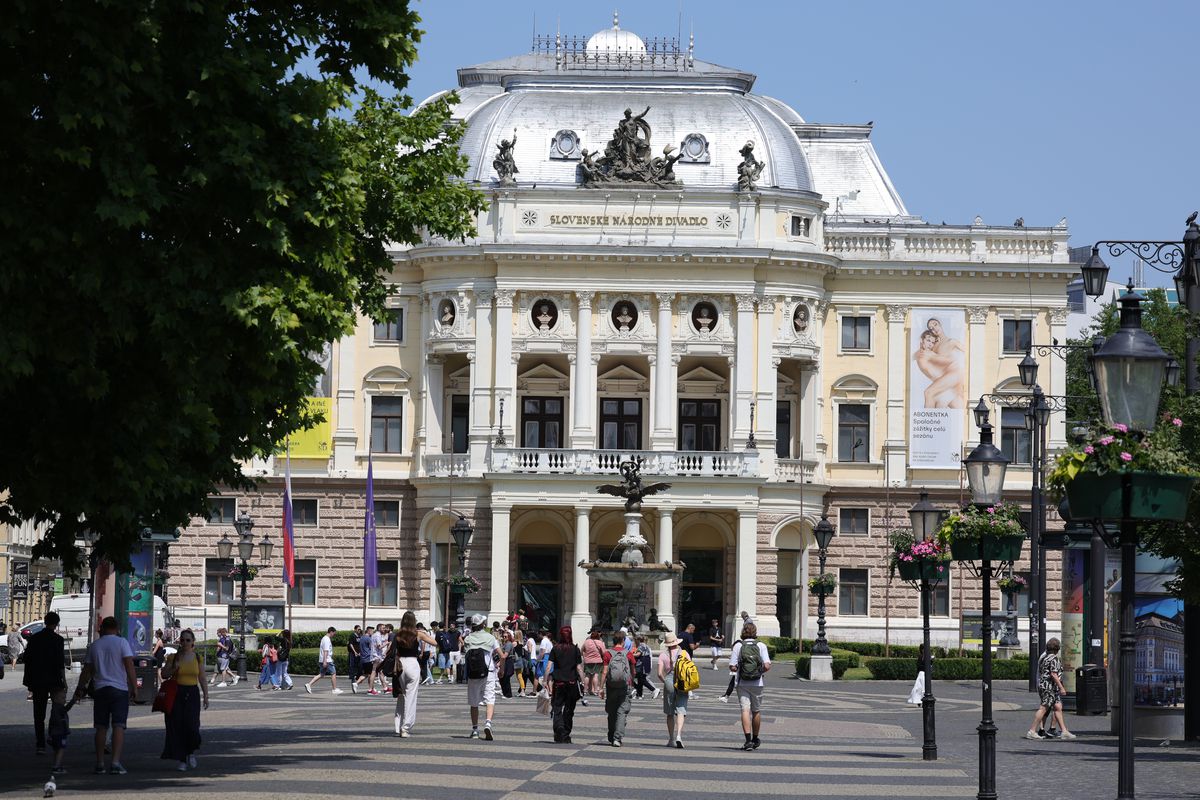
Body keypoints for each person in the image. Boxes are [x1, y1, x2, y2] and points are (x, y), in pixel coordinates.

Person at [73, 616, 136, 774]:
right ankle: (115, 763)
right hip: (119, 689)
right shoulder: (122, 643)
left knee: (101, 727)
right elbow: (129, 666)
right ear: (117, 628)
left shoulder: (95, 645)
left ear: (103, 628)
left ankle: (100, 763)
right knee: (119, 726)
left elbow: (87, 670)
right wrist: (134, 687)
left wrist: (80, 688)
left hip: (100, 689)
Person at [160, 628, 209, 770]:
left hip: (192, 693)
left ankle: (191, 752)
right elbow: (164, 674)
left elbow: (202, 678)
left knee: (192, 726)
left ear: (193, 642)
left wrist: (206, 696)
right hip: (177, 693)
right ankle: (181, 759)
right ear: (179, 642)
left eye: (188, 640)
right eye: (182, 640)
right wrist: (173, 669)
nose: (185, 642)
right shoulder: (173, 657)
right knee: (177, 727)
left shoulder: (197, 657)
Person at [387, 611, 438, 737]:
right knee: (411, 697)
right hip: (412, 664)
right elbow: (435, 643)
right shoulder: (418, 634)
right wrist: (424, 633)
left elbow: (389, 651)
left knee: (402, 695)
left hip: (400, 665)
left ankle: (398, 726)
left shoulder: (398, 634)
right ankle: (406, 727)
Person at [23, 611, 66, 755]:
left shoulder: (34, 639)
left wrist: (28, 680)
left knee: (39, 713)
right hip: (54, 679)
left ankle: (40, 744)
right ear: (56, 624)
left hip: (38, 680)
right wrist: (64, 680)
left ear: (45, 622)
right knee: (56, 710)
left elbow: (27, 659)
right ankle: (53, 736)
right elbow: (60, 663)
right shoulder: (58, 640)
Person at [730, 622, 771, 750]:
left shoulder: (738, 646)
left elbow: (732, 666)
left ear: (743, 631)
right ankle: (755, 738)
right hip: (757, 683)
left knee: (745, 710)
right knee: (756, 711)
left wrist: (740, 669)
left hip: (742, 682)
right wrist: (758, 673)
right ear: (755, 632)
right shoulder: (761, 645)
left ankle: (747, 741)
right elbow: (767, 665)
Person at [1026, 638, 1076, 740]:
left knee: (1058, 707)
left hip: (1047, 686)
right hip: (1049, 686)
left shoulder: (1045, 658)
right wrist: (1061, 687)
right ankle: (1032, 730)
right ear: (1057, 648)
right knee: (1044, 707)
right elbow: (1053, 674)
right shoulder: (1054, 659)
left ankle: (1064, 731)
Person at [463, 614, 501, 740]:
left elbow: (466, 652)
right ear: (483, 624)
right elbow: (500, 654)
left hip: (473, 673)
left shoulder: (468, 638)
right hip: (489, 672)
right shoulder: (490, 638)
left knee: (474, 702)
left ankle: (475, 730)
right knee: (490, 699)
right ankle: (488, 723)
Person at [546, 626, 584, 743]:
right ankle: (566, 734)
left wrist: (545, 680)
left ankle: (559, 729)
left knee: (557, 708)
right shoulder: (575, 649)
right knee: (569, 710)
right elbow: (579, 668)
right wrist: (582, 682)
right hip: (572, 683)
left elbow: (548, 666)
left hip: (559, 683)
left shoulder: (555, 648)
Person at [602, 632, 633, 747]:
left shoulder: (608, 654)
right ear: (623, 641)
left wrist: (601, 687)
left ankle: (611, 735)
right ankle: (617, 738)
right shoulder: (628, 654)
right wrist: (632, 681)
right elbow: (633, 670)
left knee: (611, 711)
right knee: (622, 712)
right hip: (625, 686)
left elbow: (605, 671)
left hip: (611, 686)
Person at [658, 632, 689, 748]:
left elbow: (659, 673)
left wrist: (665, 681)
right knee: (681, 710)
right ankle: (679, 735)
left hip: (669, 680)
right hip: (682, 681)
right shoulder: (684, 653)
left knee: (670, 712)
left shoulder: (663, 655)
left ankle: (671, 739)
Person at [304, 627, 343, 694]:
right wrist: (325, 661)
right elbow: (325, 651)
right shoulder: (327, 639)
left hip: (323, 659)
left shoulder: (324, 638)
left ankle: (309, 684)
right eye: (334, 633)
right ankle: (334, 689)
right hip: (327, 660)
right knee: (333, 673)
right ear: (331, 632)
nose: (334, 635)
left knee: (322, 674)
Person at [46, 687, 70, 775]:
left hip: (54, 734)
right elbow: (65, 710)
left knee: (56, 750)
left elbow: (51, 723)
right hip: (60, 733)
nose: (64, 700)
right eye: (63, 698)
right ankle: (57, 766)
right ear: (55, 699)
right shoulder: (58, 708)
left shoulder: (55, 707)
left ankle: (56, 764)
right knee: (61, 749)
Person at [581, 628, 607, 697]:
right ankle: (595, 690)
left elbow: (582, 650)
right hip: (597, 661)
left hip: (587, 660)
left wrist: (585, 656)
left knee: (587, 675)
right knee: (596, 675)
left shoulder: (586, 642)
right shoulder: (600, 642)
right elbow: (604, 652)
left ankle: (585, 690)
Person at [632, 635, 659, 700]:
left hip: (641, 665)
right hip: (644, 664)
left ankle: (654, 689)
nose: (634, 642)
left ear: (638, 640)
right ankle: (639, 694)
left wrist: (630, 654)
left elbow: (638, 654)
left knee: (641, 680)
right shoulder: (645, 646)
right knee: (640, 680)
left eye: (635, 641)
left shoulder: (641, 646)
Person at [353, 626, 375, 692]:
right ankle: (371, 688)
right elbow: (372, 648)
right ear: (369, 631)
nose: (372, 633)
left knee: (366, 674)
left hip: (363, 658)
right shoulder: (368, 638)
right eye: (372, 631)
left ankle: (357, 684)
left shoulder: (362, 638)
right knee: (371, 674)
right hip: (368, 658)